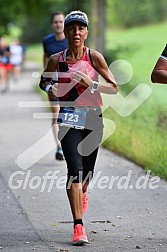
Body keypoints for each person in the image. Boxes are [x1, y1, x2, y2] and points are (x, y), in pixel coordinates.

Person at [39, 10, 118, 246]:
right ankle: (78, 226)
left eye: (80, 28)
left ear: (86, 33)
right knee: (74, 169)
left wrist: (92, 83)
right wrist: (50, 89)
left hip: (93, 120)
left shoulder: (95, 58)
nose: (76, 32)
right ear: (65, 31)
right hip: (68, 119)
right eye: (71, 28)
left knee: (86, 174)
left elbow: (113, 88)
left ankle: (82, 191)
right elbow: (44, 80)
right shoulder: (57, 59)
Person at [43, 11, 68, 160]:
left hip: (70, 83)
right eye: (56, 22)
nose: (58, 24)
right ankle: (60, 147)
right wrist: (46, 78)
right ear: (52, 24)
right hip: (53, 82)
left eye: (61, 21)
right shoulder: (47, 41)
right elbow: (46, 59)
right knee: (57, 114)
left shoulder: (72, 40)